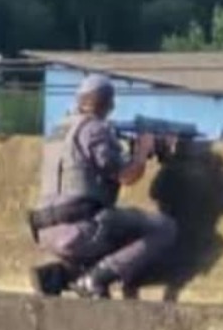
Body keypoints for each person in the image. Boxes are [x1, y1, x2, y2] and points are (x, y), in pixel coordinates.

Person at [29, 74, 177, 299]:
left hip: (46, 232)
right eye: (109, 101)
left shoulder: (58, 130)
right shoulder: (95, 130)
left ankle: (63, 275)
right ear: (100, 102)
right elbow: (127, 176)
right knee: (164, 228)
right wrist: (142, 151)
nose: (113, 106)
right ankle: (97, 277)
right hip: (80, 230)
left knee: (110, 229)